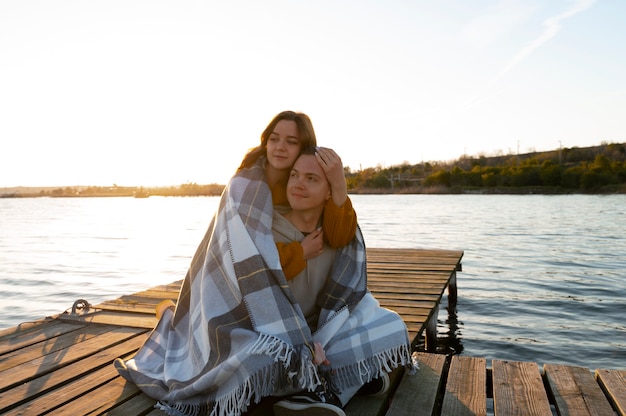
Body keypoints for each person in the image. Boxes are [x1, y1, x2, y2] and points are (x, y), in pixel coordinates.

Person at [114, 111, 413, 416]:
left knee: (389, 327)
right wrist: (298, 254)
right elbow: (250, 269)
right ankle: (328, 386)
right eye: (274, 139)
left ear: (306, 148)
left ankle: (319, 389)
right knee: (261, 358)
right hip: (249, 318)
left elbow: (343, 235)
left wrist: (338, 183)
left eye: (291, 141)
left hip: (307, 322)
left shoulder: (323, 214)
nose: (280, 147)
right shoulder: (246, 188)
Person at [270, 148, 413, 415]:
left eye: (312, 178)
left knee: (393, 327)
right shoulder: (266, 227)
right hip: (278, 332)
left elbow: (347, 297)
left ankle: (325, 390)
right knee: (281, 359)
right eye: (294, 175)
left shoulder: (335, 231)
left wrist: (340, 183)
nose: (299, 183)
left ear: (329, 191)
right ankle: (334, 391)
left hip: (324, 331)